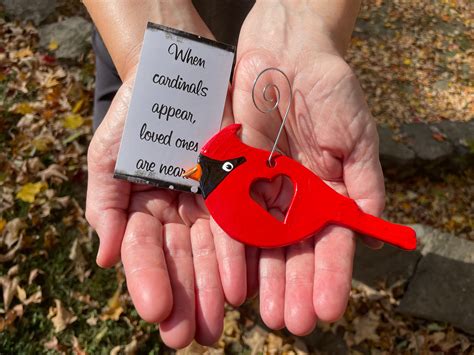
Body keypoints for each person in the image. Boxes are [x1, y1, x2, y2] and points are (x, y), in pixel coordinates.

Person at [84, 0, 385, 349]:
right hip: (132, 31)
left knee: (292, 271)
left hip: (263, 45)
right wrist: (156, 29)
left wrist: (303, 16)